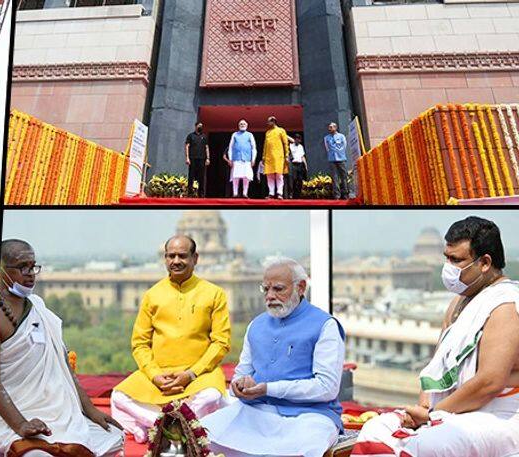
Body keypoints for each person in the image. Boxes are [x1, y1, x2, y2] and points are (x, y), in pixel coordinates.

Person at [353, 217, 519, 456]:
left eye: (456, 260)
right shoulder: (458, 303)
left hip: (498, 415)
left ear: (484, 263)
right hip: (451, 411)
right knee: (376, 429)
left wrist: (433, 414)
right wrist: (422, 407)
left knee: (430, 443)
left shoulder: (505, 305)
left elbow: (489, 383)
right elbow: (437, 366)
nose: (448, 267)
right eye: (446, 257)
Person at [0, 239, 124, 457]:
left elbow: (63, 364)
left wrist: (90, 410)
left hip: (57, 411)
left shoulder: (39, 307)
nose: (30, 273)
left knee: (114, 436)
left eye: (33, 266)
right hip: (14, 411)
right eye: (22, 267)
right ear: (1, 269)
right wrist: (21, 424)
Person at [201, 257, 346, 457]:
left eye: (278, 289)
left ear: (301, 287)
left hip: (309, 416)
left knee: (304, 448)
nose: (270, 296)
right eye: (265, 289)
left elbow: (326, 388)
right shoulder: (256, 325)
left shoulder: (325, 325)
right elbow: (241, 373)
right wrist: (239, 386)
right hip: (257, 411)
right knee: (199, 433)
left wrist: (268, 388)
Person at [111, 235, 230, 443]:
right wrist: (155, 375)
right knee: (119, 397)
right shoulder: (152, 295)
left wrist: (191, 374)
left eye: (182, 256)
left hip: (198, 374)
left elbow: (221, 342)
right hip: (161, 375)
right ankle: (172, 425)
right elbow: (140, 344)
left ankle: (155, 426)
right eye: (171, 256)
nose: (176, 261)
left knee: (212, 395)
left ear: (195, 258)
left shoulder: (214, 294)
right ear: (165, 258)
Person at [224, 119, 256, 198]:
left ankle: (245, 193)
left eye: (244, 124)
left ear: (247, 125)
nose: (242, 125)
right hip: (236, 159)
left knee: (246, 177)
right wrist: (230, 159)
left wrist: (253, 159)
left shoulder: (250, 135)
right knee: (235, 177)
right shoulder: (234, 134)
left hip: (247, 159)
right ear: (238, 126)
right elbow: (230, 147)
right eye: (241, 124)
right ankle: (235, 193)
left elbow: (253, 148)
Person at [263, 116, 290, 199]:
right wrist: (263, 156)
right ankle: (271, 193)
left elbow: (285, 143)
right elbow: (265, 146)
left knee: (279, 175)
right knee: (269, 175)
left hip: (279, 156)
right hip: (268, 157)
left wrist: (286, 155)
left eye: (269, 122)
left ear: (274, 122)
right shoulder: (267, 133)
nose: (268, 123)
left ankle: (279, 193)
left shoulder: (281, 130)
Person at [185, 122, 210, 198]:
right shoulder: (190, 136)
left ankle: (201, 193)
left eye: (201, 126)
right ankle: (190, 193)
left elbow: (206, 148)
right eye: (199, 126)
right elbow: (187, 146)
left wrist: (208, 158)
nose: (200, 127)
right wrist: (187, 157)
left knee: (201, 176)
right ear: (195, 126)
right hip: (192, 158)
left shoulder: (204, 136)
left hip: (202, 158)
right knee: (191, 176)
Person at [324, 123, 348, 199]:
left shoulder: (341, 136)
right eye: (329, 127)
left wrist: (340, 153)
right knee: (334, 178)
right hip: (332, 159)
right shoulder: (326, 138)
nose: (330, 128)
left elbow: (344, 146)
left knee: (344, 177)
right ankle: (337, 195)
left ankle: (345, 194)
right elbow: (327, 148)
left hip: (341, 158)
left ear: (336, 127)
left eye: (331, 127)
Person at [289, 133, 308, 198]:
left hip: (300, 164)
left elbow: (302, 156)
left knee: (300, 180)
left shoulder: (301, 146)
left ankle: (299, 194)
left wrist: (305, 165)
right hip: (293, 164)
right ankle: (292, 194)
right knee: (293, 179)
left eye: (298, 139)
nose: (297, 140)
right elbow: (287, 138)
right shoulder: (291, 145)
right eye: (296, 138)